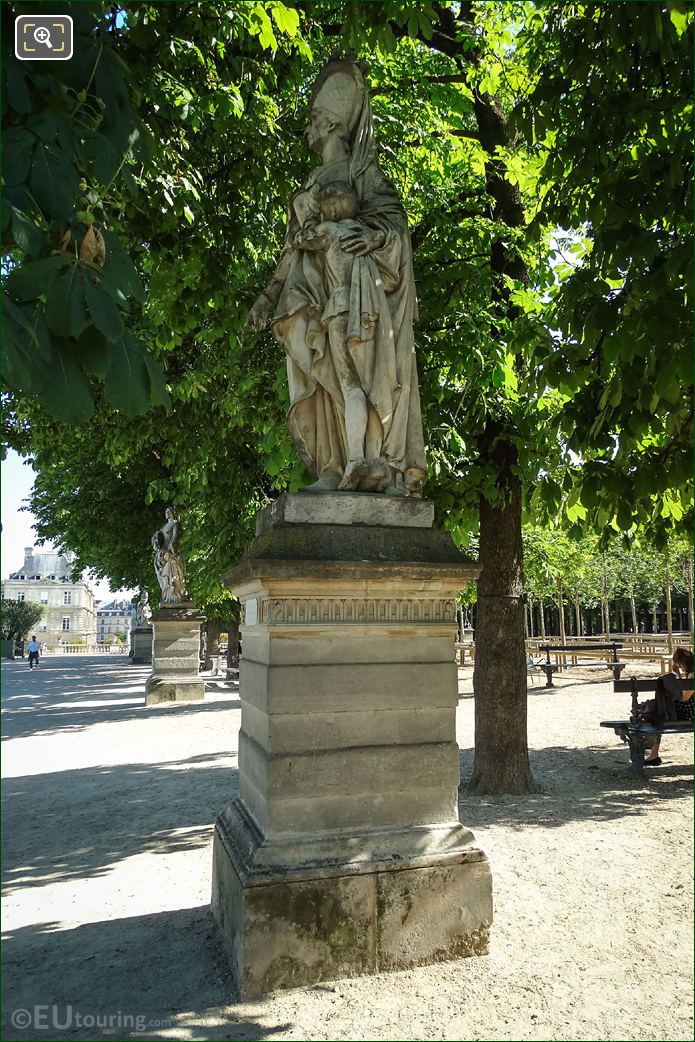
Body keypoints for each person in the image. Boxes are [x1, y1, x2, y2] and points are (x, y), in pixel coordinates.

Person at [246, 59, 427, 497]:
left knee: (356, 380)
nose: (308, 128)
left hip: (357, 299)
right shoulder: (312, 182)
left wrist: (372, 235)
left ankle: (371, 463)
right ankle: (333, 465)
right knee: (325, 379)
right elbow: (293, 248)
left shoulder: (361, 173)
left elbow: (396, 228)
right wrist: (266, 298)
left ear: (329, 123)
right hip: (310, 296)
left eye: (312, 119)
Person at [643, 647, 694, 766]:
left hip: (689, 712)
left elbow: (684, 698)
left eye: (679, 665)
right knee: (659, 713)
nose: (680, 668)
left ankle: (653, 754)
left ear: (682, 663)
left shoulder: (693, 676)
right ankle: (653, 754)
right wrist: (678, 675)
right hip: (690, 709)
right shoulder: (691, 674)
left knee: (659, 714)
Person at [151, 506, 188, 604]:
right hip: (163, 555)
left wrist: (170, 551)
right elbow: (159, 539)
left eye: (168, 511)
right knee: (164, 577)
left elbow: (174, 538)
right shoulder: (164, 527)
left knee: (174, 576)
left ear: (172, 513)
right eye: (166, 511)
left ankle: (176, 597)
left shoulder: (175, 524)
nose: (166, 513)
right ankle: (168, 597)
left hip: (171, 555)